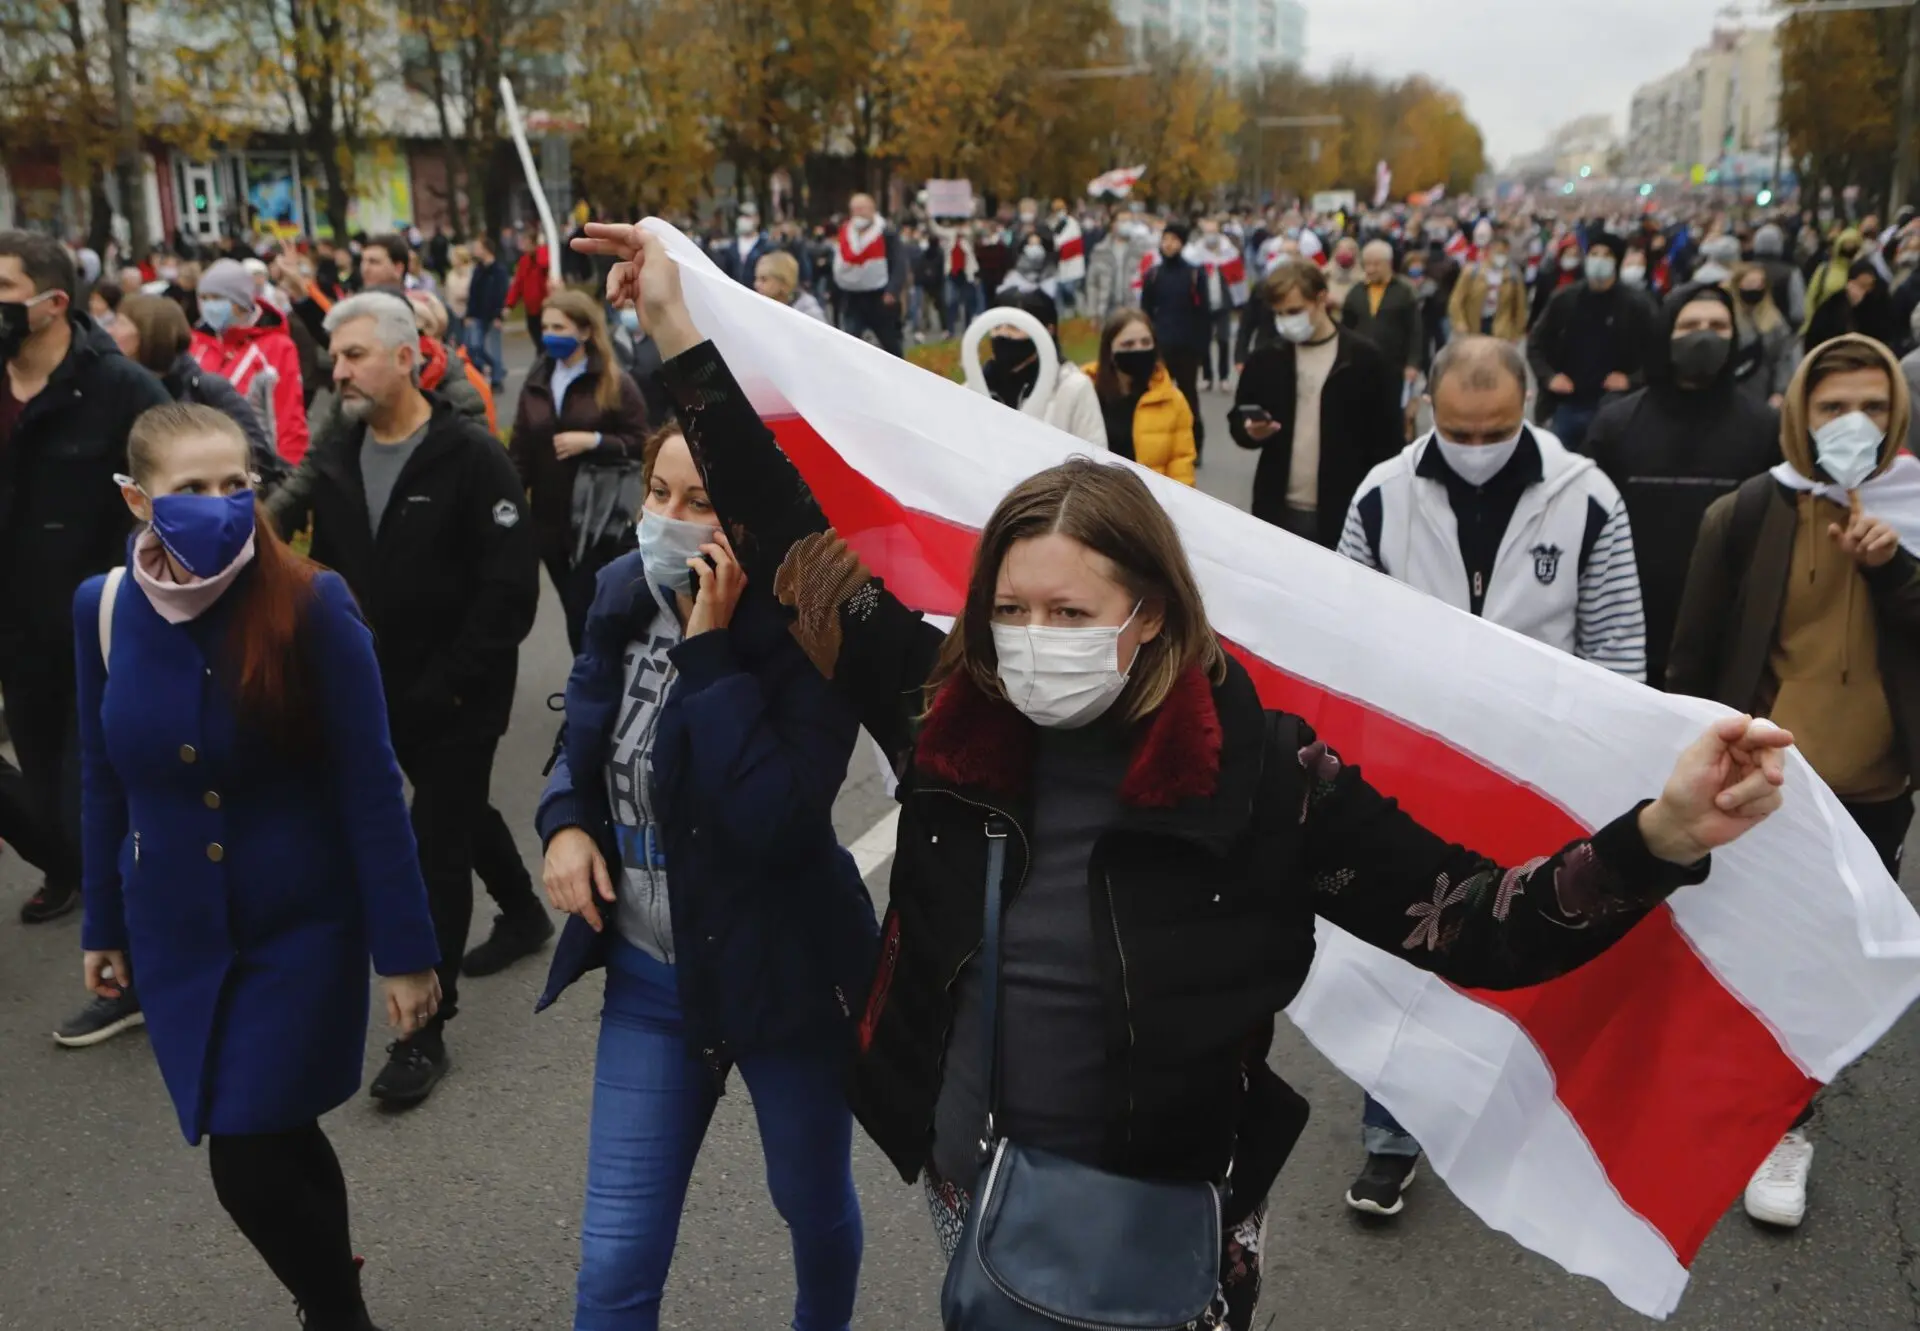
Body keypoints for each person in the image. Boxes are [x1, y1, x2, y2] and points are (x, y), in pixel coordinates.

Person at [574, 219, 1792, 1331]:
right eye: (1007, 607)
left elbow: (1473, 923)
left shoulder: (1261, 768)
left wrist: (1660, 837)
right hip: (968, 1178)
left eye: (1068, 608)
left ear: (1150, 612)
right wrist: (679, 328)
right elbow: (792, 544)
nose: (1030, 635)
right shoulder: (946, 706)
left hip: (1171, 1216)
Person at [76, 402, 440, 1330]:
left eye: (235, 484)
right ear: (135, 498)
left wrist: (405, 951)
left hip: (297, 929)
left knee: (244, 1154)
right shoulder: (106, 608)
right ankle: (335, 1300)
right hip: (178, 937)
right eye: (189, 490)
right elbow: (101, 774)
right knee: (276, 1137)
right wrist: (103, 927)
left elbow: (369, 785)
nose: (220, 505)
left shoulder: (312, 600)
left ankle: (334, 1311)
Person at [533, 422, 875, 1331]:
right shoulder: (618, 590)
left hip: (783, 977)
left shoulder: (814, 625)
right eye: (656, 491)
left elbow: (778, 821)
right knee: (613, 1267)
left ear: (754, 517)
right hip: (655, 984)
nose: (668, 519)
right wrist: (565, 823)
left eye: (700, 501)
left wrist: (711, 648)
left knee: (811, 1203)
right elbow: (582, 745)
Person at [1334, 336, 1647, 1212]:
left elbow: (1618, 645)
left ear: (1526, 416)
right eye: (1460, 428)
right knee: (1407, 944)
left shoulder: (1586, 498)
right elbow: (1347, 631)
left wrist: (1606, 759)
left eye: (1498, 428)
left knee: (1533, 932)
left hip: (1538, 764)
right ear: (1427, 409)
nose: (1478, 443)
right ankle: (1390, 1135)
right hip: (1415, 763)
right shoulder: (1382, 496)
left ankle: (1521, 1113)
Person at [1668, 334, 1917, 1231]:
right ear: (1799, 414)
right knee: (1756, 941)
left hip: (1878, 786)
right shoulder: (1747, 514)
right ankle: (1763, 1109)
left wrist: (1893, 568)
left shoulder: (1915, 508)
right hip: (1772, 783)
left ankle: (1785, 1107)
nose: (1855, 423)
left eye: (1874, 406)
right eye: (1832, 406)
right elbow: (1694, 656)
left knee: (1838, 950)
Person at [271, 291, 543, 1105]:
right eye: (334, 356)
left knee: (432, 840)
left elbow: (510, 591)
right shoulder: (336, 449)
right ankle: (526, 911)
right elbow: (276, 520)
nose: (337, 369)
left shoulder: (469, 456)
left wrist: (451, 682)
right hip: (372, 685)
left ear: (404, 354)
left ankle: (424, 1029)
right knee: (454, 814)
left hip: (460, 692)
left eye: (353, 354)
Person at [0, 231, 168, 938]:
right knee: (45, 787)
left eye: (4, 290)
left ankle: (129, 953)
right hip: (15, 638)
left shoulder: (118, 386)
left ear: (52, 303)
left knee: (93, 796)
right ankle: (77, 873)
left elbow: (167, 500)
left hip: (99, 630)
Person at [1584, 283, 1780, 690]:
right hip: (1633, 633)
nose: (1704, 335)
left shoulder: (1764, 428)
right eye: (1690, 324)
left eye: (1718, 326)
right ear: (1665, 332)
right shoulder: (1617, 424)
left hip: (1727, 633)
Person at [511, 288, 650, 654]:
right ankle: (588, 693)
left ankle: (594, 699)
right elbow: (522, 446)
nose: (550, 334)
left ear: (586, 331)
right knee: (575, 617)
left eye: (560, 326)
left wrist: (595, 440)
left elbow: (642, 441)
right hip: (549, 521)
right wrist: (511, 500)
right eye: (545, 326)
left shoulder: (614, 382)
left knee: (588, 615)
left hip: (597, 521)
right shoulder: (538, 378)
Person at [1231, 259, 1403, 545]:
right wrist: (1249, 431)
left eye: (1295, 311)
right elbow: (1238, 418)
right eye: (1279, 313)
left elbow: (1388, 441)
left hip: (1345, 510)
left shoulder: (1363, 359)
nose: (1286, 321)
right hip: (1276, 509)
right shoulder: (1267, 358)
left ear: (1321, 299)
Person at [113, 293, 281, 482]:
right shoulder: (120, 389)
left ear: (147, 331)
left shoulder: (206, 389)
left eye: (120, 323)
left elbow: (258, 457)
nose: (111, 331)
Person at [1527, 232, 1658, 451]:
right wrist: (1549, 377)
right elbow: (1536, 344)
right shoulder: (1564, 299)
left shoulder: (1638, 305)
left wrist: (1632, 380)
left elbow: (1657, 353)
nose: (1599, 259)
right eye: (1594, 253)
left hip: (1616, 407)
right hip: (1566, 405)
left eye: (1606, 255)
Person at [190, 258, 310, 465]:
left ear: (242, 302)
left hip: (255, 465)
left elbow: (288, 418)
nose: (209, 305)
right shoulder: (197, 343)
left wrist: (287, 474)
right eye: (204, 298)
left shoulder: (276, 346)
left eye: (217, 297)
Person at [974, 291, 1104, 448]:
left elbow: (1094, 454)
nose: (1003, 334)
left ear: (1048, 329)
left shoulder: (1072, 387)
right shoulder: (974, 387)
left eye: (1014, 327)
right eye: (996, 326)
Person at [1088, 308, 1196, 484]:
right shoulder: (1085, 391)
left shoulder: (1173, 401)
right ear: (1109, 351)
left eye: (1145, 342)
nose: (1138, 349)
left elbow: (1181, 469)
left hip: (1148, 505)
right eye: (1128, 345)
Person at [1139, 222, 1210, 451]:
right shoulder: (1153, 275)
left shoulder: (1194, 274)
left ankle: (1194, 444)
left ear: (1182, 243)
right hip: (1161, 345)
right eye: (1165, 239)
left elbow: (1203, 313)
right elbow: (1145, 312)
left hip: (1187, 347)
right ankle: (1159, 445)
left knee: (1188, 396)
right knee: (1158, 395)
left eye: (1174, 240)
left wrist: (1202, 350)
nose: (1168, 244)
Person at [832, 193, 908, 358]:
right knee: (850, 341)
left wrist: (892, 291)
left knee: (891, 345)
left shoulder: (886, 233)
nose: (858, 213)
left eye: (862, 208)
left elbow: (899, 263)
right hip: (853, 298)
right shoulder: (845, 234)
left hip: (880, 299)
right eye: (854, 209)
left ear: (872, 209)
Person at [1342, 239, 1424, 390]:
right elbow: (1345, 330)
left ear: (1388, 264)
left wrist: (1413, 364)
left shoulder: (1404, 291)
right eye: (1366, 264)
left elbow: (1415, 331)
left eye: (1376, 264)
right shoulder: (1356, 292)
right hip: (1361, 368)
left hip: (1394, 368)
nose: (1370, 269)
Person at [1729, 261, 1802, 409]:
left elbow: (1784, 357)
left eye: (1760, 283)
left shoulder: (1775, 321)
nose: (1756, 288)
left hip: (1763, 393)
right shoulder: (1726, 316)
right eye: (1750, 283)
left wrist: (1780, 391)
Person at [1186, 217, 1246, 391]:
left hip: (1223, 304)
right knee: (1204, 341)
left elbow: (1238, 279)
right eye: (1207, 232)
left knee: (1223, 339)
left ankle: (1224, 377)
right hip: (1203, 304)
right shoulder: (1195, 254)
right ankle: (1207, 376)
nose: (1210, 236)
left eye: (1213, 232)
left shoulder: (1229, 253)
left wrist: (1239, 303)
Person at [1807, 259, 1904, 353]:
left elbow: (1888, 333)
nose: (1865, 291)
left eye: (1869, 286)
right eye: (1860, 285)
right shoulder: (1834, 305)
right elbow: (1817, 336)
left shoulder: (1881, 301)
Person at [1448, 231, 1528, 342]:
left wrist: (1517, 332)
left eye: (1504, 253)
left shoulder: (1513, 275)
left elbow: (1520, 306)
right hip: (1475, 326)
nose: (1500, 256)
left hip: (1501, 330)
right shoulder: (1471, 272)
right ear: (1489, 250)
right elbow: (1456, 300)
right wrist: (1459, 322)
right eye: (1497, 252)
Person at [465, 233, 511, 391]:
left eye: (478, 247)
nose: (475, 250)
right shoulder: (478, 270)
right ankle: (494, 366)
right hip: (478, 314)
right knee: (474, 346)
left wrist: (499, 315)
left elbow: (502, 293)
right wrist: (469, 314)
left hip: (493, 315)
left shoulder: (498, 270)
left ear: (486, 249)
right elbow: (472, 292)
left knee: (495, 347)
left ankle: (497, 380)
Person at [1751, 222, 1808, 329]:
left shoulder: (1745, 271)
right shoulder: (1791, 273)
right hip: (1783, 333)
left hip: (1751, 335)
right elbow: (1798, 312)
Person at [1804, 229, 1862, 333]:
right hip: (1823, 328)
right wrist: (1810, 324)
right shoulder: (1825, 270)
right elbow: (1811, 298)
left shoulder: (1862, 273)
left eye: (1854, 248)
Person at [753, 250, 828, 322]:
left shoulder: (809, 313)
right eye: (756, 278)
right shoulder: (760, 307)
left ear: (783, 282)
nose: (756, 284)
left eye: (764, 279)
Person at [713, 204, 775, 287]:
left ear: (757, 218)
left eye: (748, 216)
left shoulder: (766, 246)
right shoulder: (732, 247)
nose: (743, 219)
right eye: (741, 216)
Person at [507, 240, 555, 343]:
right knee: (535, 333)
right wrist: (510, 304)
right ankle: (543, 354)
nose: (525, 247)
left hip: (545, 305)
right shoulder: (524, 261)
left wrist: (541, 250)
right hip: (531, 307)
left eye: (527, 244)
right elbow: (518, 283)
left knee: (546, 334)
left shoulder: (543, 257)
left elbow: (544, 264)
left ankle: (546, 356)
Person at [444, 242, 475, 350]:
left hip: (468, 313)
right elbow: (448, 292)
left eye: (454, 257)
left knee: (472, 344)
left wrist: (463, 296)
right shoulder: (451, 275)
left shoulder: (471, 273)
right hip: (453, 313)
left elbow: (473, 292)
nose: (452, 259)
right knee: (458, 343)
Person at [1326, 235, 1362, 311]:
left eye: (1349, 249)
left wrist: (1339, 304)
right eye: (1341, 248)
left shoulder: (1363, 278)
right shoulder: (1326, 274)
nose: (1344, 252)